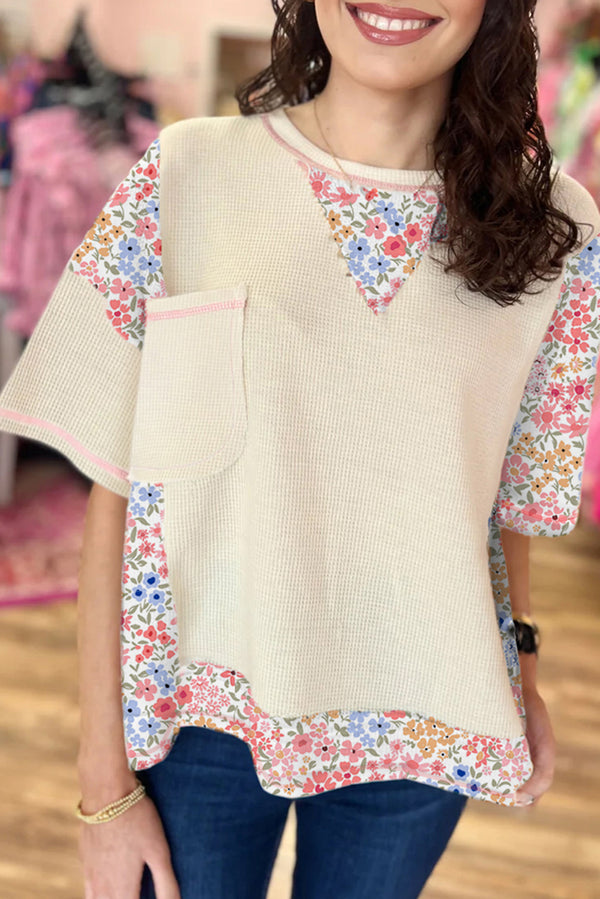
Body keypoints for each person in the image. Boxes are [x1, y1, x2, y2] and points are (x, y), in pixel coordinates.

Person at [1, 0, 599, 897]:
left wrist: (526, 670)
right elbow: (116, 492)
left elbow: (505, 501)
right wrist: (103, 786)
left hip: (426, 717)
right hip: (197, 721)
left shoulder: (556, 228)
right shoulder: (185, 175)